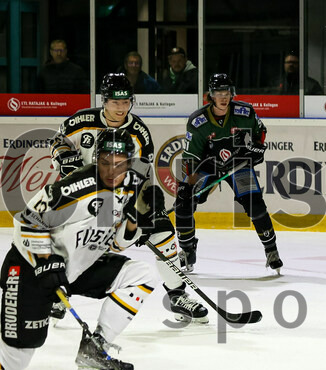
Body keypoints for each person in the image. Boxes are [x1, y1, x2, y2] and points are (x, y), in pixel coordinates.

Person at [49, 73, 209, 324]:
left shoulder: (138, 131)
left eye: (126, 102)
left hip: (120, 194)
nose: (122, 108)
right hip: (82, 195)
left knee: (163, 230)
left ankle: (177, 296)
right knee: (75, 242)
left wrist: (142, 210)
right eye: (115, 102)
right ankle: (57, 294)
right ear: (104, 101)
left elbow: (140, 175)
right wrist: (65, 157)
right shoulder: (82, 120)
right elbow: (59, 141)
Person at [2, 128, 157, 370]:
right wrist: (45, 263)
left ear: (130, 163)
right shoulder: (76, 188)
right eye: (105, 163)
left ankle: (94, 350)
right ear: (96, 159)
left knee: (140, 274)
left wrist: (134, 221)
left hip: (72, 270)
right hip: (30, 269)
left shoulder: (125, 188)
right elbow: (28, 222)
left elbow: (109, 243)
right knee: (14, 363)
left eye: (119, 164)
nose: (111, 171)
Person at [174, 73, 282, 273]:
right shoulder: (198, 121)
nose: (223, 97)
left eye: (226, 93)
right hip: (208, 166)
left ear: (231, 94)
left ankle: (271, 250)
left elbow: (260, 134)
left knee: (254, 204)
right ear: (211, 95)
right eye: (218, 93)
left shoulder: (245, 112)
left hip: (238, 164)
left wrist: (257, 150)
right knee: (183, 202)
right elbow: (191, 157)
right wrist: (188, 185)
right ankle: (188, 250)